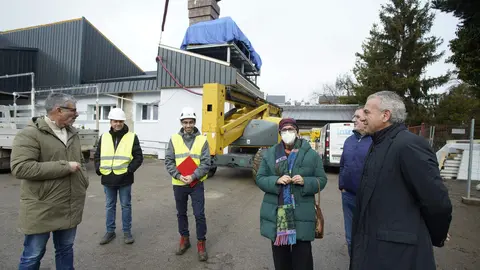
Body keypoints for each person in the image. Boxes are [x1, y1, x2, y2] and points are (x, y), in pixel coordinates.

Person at [350, 91, 452, 270]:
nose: (361, 117)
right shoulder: (378, 144)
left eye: (367, 112)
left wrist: (436, 235)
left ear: (385, 115)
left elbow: (436, 201)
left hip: (398, 255)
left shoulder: (408, 145)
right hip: (374, 249)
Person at [10, 92, 89, 269]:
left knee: (65, 250)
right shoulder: (30, 134)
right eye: (73, 110)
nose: (76, 114)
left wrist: (83, 180)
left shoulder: (72, 133)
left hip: (69, 205)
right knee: (33, 255)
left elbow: (81, 161)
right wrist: (65, 167)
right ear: (58, 110)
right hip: (42, 206)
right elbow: (20, 167)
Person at [256, 118, 328, 270]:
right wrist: (276, 180)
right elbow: (260, 178)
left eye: (291, 130)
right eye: (284, 130)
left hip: (302, 213)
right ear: (279, 133)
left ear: (297, 132)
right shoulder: (270, 154)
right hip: (278, 215)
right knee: (281, 259)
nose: (288, 133)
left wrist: (306, 182)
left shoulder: (311, 154)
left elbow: (322, 179)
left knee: (303, 258)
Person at [165, 107, 211, 261]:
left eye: (191, 122)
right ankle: (184, 239)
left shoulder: (202, 140)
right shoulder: (174, 139)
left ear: (195, 122)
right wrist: (178, 175)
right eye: (185, 122)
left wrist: (194, 176)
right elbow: (169, 161)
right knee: (181, 213)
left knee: (199, 214)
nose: (188, 125)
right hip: (179, 183)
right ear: (181, 123)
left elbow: (206, 163)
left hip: (196, 183)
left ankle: (201, 242)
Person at [94, 108, 143, 245]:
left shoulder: (132, 136)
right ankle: (110, 232)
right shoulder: (104, 137)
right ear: (110, 121)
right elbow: (97, 155)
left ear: (123, 122)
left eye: (120, 121)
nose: (118, 124)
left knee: (125, 206)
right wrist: (98, 168)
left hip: (124, 178)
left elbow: (138, 157)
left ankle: (127, 232)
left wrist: (129, 170)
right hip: (108, 178)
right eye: (115, 121)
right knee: (110, 205)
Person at [339, 107, 372, 257]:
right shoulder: (349, 140)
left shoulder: (376, 141)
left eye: (357, 117)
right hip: (348, 196)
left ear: (367, 120)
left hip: (368, 198)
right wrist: (342, 185)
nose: (354, 120)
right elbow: (343, 163)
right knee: (350, 238)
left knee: (367, 238)